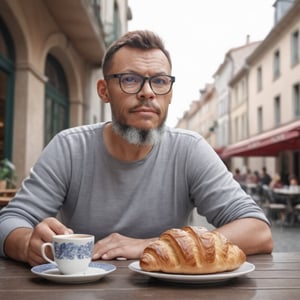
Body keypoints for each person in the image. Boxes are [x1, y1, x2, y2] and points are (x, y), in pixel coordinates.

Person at [0, 30, 273, 266]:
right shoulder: (70, 147)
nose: (148, 92)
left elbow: (258, 231)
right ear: (104, 91)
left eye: (159, 81)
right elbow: (10, 221)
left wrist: (154, 245)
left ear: (169, 94)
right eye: (130, 79)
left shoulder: (190, 150)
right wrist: (27, 244)